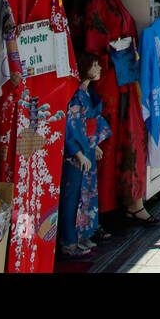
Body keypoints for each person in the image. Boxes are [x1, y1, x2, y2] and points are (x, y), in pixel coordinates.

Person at [82, 0, 154, 226]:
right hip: (108, 81)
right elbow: (93, 44)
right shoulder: (96, 4)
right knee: (109, 142)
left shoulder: (112, 0)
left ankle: (130, 201)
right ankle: (105, 206)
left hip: (124, 78)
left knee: (130, 139)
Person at [58, 52, 111, 257]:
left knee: (87, 195)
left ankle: (83, 235)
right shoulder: (74, 96)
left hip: (87, 147)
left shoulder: (87, 94)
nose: (98, 69)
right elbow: (70, 126)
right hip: (77, 153)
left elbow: (92, 121)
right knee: (73, 197)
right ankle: (70, 240)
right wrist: (77, 152)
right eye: (94, 66)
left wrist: (94, 144)